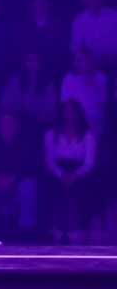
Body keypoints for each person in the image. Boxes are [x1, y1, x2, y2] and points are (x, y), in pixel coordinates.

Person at [45, 99, 98, 240]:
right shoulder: (51, 134)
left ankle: (78, 228)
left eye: (72, 111)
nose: (69, 114)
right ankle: (55, 227)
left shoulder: (87, 135)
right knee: (54, 186)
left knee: (82, 187)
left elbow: (89, 162)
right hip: (58, 170)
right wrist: (60, 174)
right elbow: (50, 161)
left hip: (80, 171)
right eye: (66, 111)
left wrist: (75, 174)